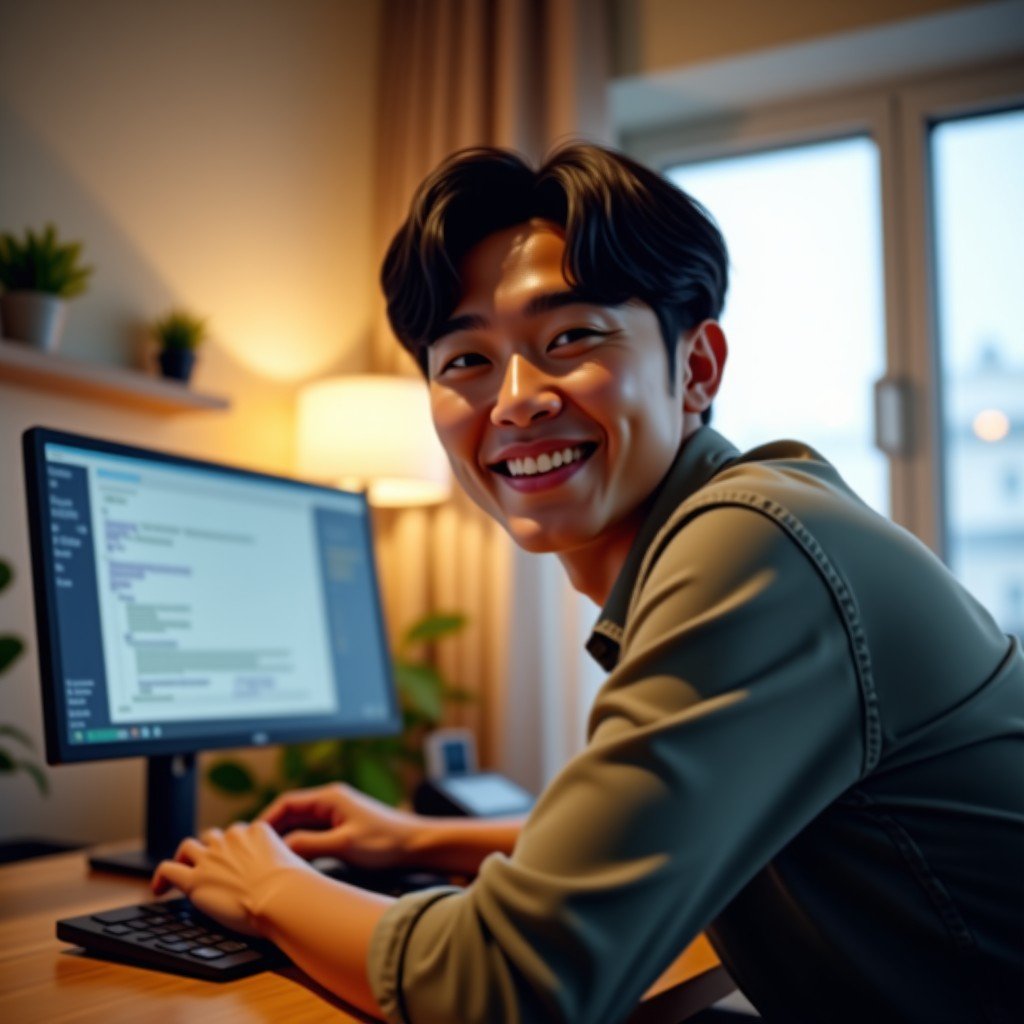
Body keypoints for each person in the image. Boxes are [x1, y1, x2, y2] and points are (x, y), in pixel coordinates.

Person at [153, 143, 1024, 1024]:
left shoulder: (753, 549)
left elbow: (512, 989)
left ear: (697, 369)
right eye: (465, 361)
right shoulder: (756, 518)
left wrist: (269, 885)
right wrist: (420, 838)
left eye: (569, 338)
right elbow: (684, 833)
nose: (516, 400)